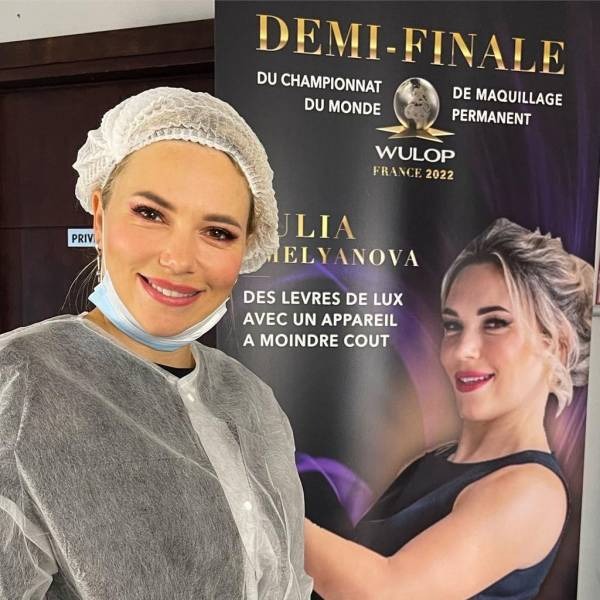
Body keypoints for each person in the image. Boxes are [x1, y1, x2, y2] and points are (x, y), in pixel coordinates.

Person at [0, 87, 312, 599]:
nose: (179, 259)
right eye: (150, 213)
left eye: (218, 232)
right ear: (100, 215)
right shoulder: (18, 385)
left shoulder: (250, 400)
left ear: (247, 248)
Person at [305, 218, 593, 600]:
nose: (461, 351)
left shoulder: (531, 490)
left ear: (555, 344)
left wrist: (258, 507)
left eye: (495, 323)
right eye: (453, 326)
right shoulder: (427, 463)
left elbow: (386, 593)